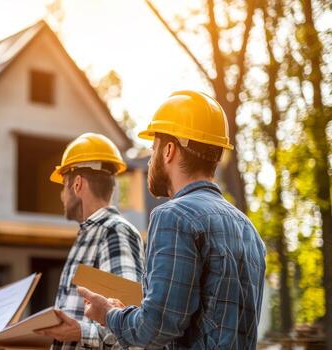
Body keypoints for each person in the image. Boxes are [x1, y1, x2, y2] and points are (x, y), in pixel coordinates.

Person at [79, 90, 266, 349]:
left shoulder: (173, 216)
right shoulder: (249, 230)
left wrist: (107, 315)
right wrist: (131, 313)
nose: (152, 156)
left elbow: (156, 327)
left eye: (153, 148)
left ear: (169, 150)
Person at [35, 133, 145, 350]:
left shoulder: (114, 232)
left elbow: (130, 324)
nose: (61, 196)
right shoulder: (88, 236)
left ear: (77, 185)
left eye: (63, 186)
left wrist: (79, 331)